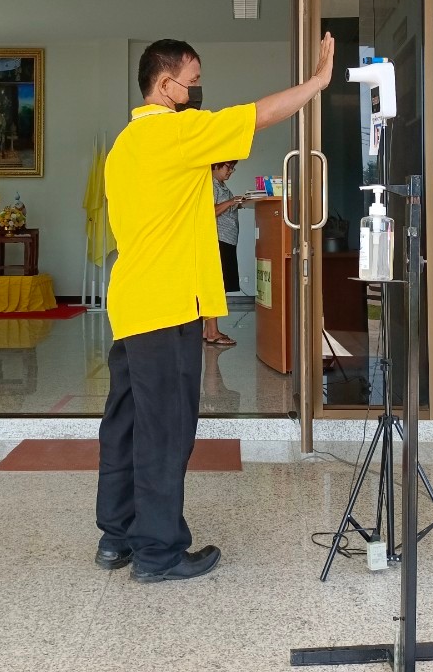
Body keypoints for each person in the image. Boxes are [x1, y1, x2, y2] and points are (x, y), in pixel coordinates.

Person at [96, 33, 335, 583]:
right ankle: (158, 553)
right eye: (193, 82)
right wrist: (316, 83)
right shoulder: (175, 132)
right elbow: (258, 115)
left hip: (132, 303)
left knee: (126, 422)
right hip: (168, 306)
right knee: (166, 430)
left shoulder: (125, 145)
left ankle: (116, 536)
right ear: (165, 85)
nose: (198, 92)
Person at [204, 160, 243, 346]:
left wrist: (236, 204)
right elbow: (208, 211)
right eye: (229, 167)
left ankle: (208, 330)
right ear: (216, 166)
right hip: (217, 240)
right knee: (216, 286)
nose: (231, 171)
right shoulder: (210, 185)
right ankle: (212, 332)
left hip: (226, 241)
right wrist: (231, 202)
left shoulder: (220, 185)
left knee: (220, 285)